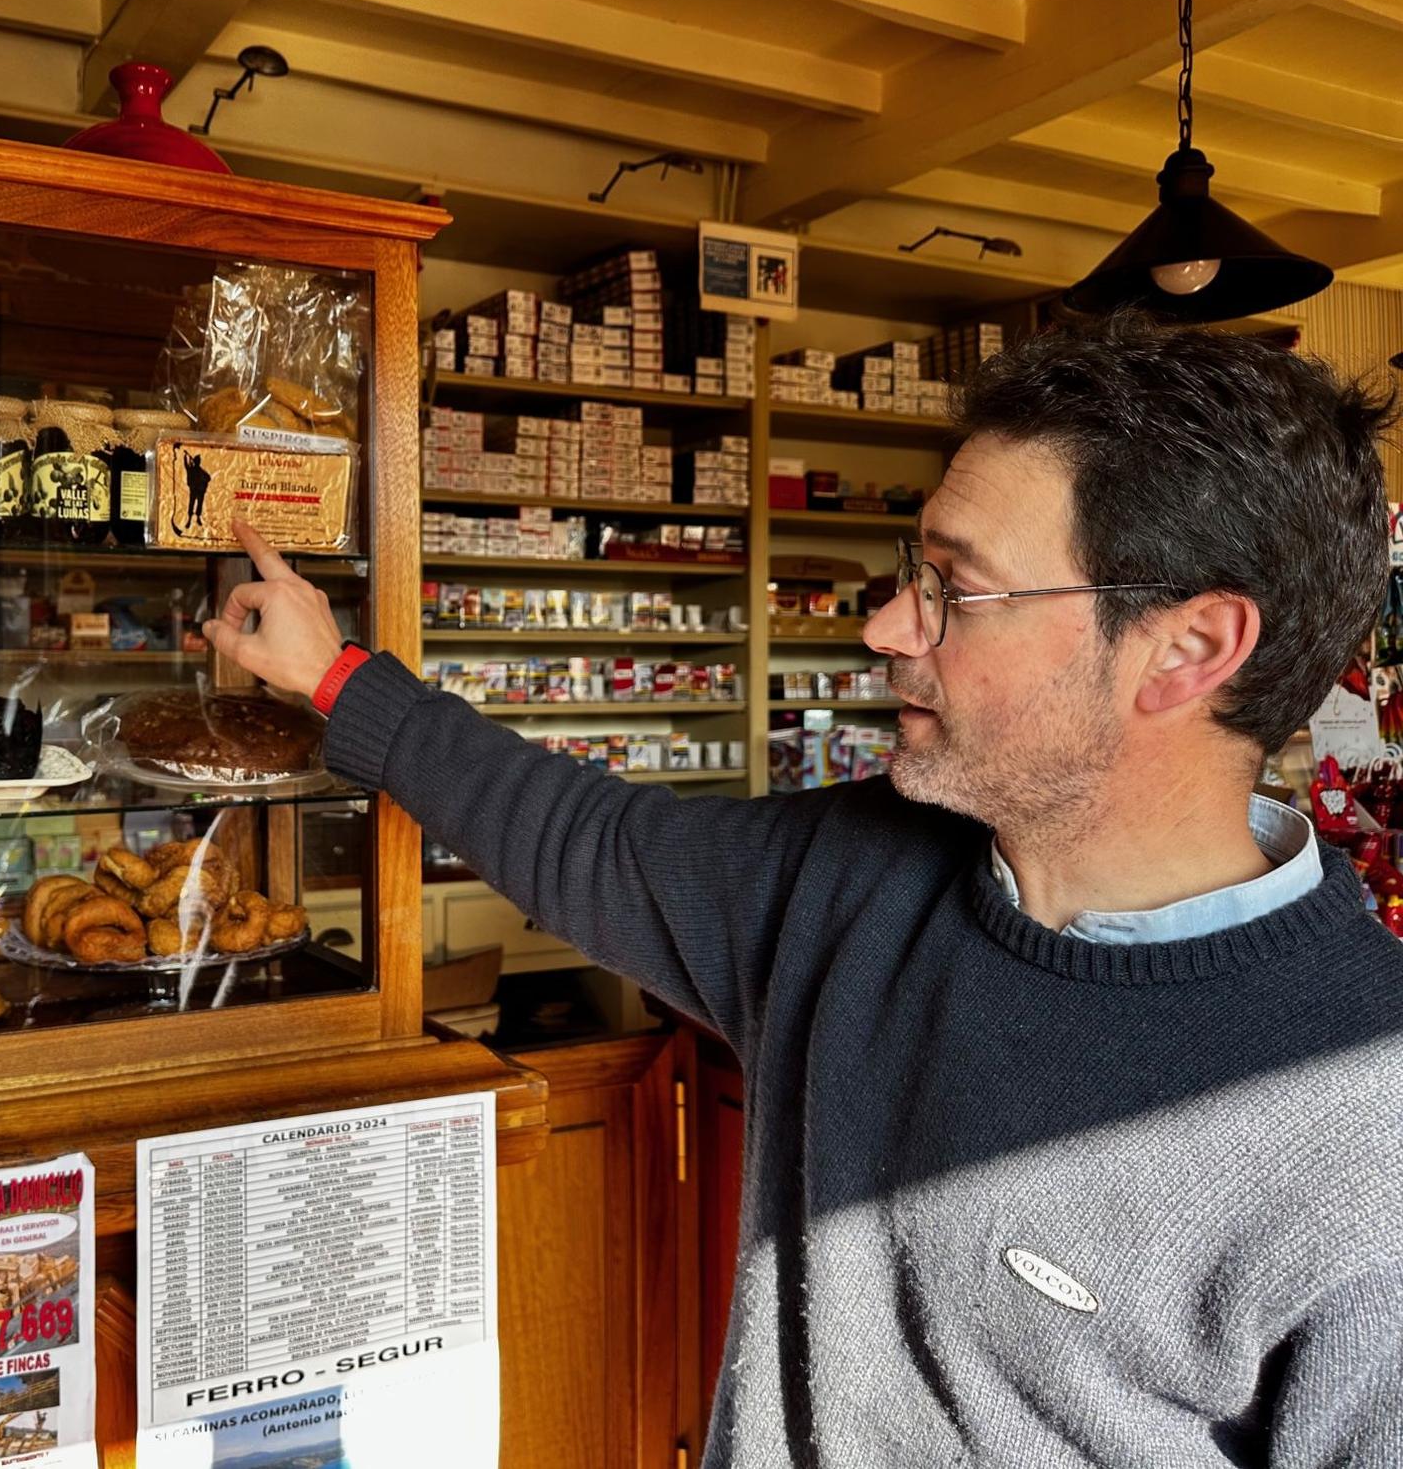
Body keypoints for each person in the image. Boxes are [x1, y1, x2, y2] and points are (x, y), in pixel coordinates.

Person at [204, 313, 1403, 1466]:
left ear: (1187, 650)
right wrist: (338, 677)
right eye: (905, 570)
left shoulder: (1363, 1111)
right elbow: (585, 838)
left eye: (952, 585)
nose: (884, 627)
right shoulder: (846, 877)